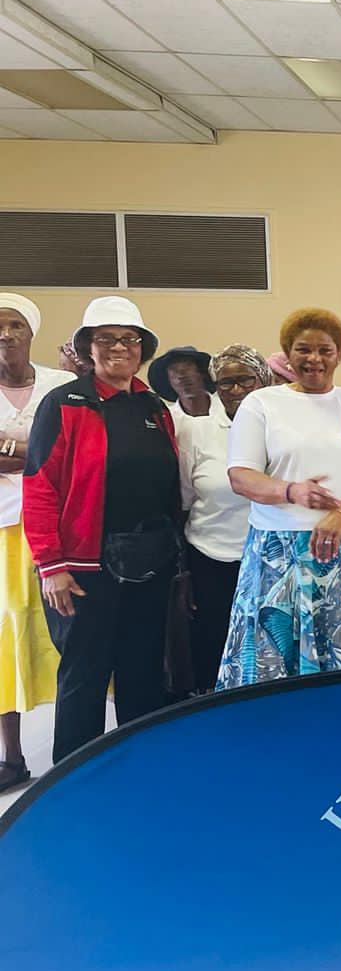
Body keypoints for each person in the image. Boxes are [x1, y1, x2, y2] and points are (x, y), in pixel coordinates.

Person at [220, 308, 341, 687]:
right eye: (303, 349)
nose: (314, 359)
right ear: (288, 353)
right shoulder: (262, 404)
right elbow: (241, 476)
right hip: (280, 554)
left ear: (339, 355)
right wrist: (290, 490)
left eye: (325, 350)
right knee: (276, 660)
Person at [26, 297, 182, 761]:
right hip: (83, 567)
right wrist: (51, 565)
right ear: (87, 347)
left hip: (150, 561)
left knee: (143, 669)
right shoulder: (64, 403)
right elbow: (40, 486)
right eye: (106, 338)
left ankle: (138, 766)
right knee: (85, 674)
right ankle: (76, 775)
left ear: (142, 347)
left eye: (129, 338)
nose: (119, 347)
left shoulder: (155, 407)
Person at [0, 294, 75, 789]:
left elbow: (69, 452)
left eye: (15, 325)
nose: (5, 334)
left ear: (31, 333)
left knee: (71, 635)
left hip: (60, 527)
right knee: (6, 637)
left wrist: (8, 448)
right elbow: (48, 454)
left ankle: (80, 746)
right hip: (4, 531)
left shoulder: (59, 386)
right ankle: (12, 756)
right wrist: (36, 452)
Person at [176, 344, 268, 698]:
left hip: (268, 559)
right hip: (210, 557)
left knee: (264, 647)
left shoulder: (282, 429)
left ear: (263, 380)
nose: (236, 390)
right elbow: (183, 499)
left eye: (246, 380)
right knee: (213, 648)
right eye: (226, 383)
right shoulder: (197, 432)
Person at [149, 345, 222, 420]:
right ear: (168, 380)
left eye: (188, 366)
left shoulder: (226, 408)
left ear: (202, 372)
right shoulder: (167, 420)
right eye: (174, 369)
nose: (181, 375)